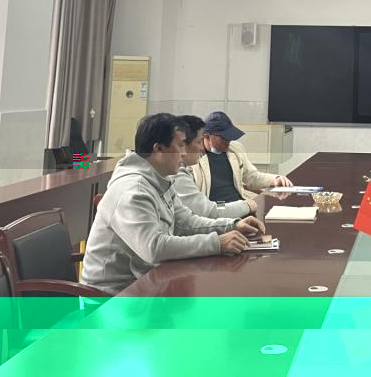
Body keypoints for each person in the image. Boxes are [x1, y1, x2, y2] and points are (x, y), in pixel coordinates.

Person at [81, 113, 265, 294]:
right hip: (111, 298)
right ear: (159, 149)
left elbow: (185, 222)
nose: (184, 153)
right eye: (180, 145)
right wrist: (216, 243)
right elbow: (154, 247)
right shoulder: (133, 190)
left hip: (146, 284)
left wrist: (232, 225)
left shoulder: (161, 179)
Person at [191, 111, 293, 202]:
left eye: (230, 137)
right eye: (224, 138)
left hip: (239, 202)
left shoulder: (235, 149)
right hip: (217, 208)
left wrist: (275, 179)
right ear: (207, 137)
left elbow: (251, 176)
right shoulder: (192, 159)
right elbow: (195, 202)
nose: (228, 142)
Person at [174, 114, 257, 219]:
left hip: (236, 205)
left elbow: (251, 175)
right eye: (199, 142)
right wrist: (244, 206)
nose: (201, 147)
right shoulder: (180, 172)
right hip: (220, 206)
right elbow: (207, 209)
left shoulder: (234, 149)